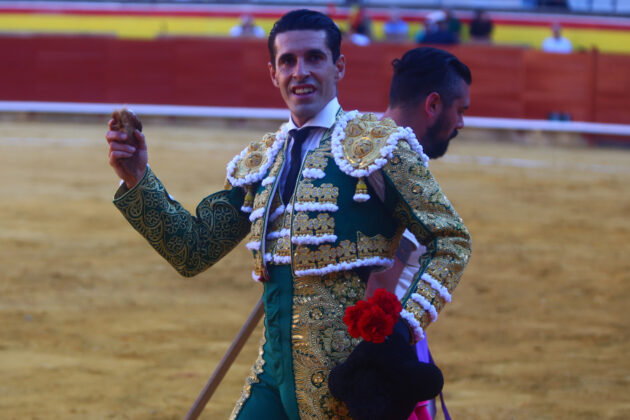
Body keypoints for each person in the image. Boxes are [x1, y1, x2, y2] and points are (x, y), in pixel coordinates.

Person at [106, 9, 471, 420]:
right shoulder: (262, 160)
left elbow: (451, 239)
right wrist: (138, 179)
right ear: (272, 73)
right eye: (288, 61)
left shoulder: (378, 145)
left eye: (314, 58)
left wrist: (405, 326)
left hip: (348, 384)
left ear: (339, 66)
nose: (301, 72)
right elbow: (194, 249)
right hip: (272, 377)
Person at [368, 47, 471, 420]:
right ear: (433, 104)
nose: (461, 123)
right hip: (379, 348)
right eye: (460, 110)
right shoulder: (392, 161)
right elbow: (379, 276)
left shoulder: (366, 148)